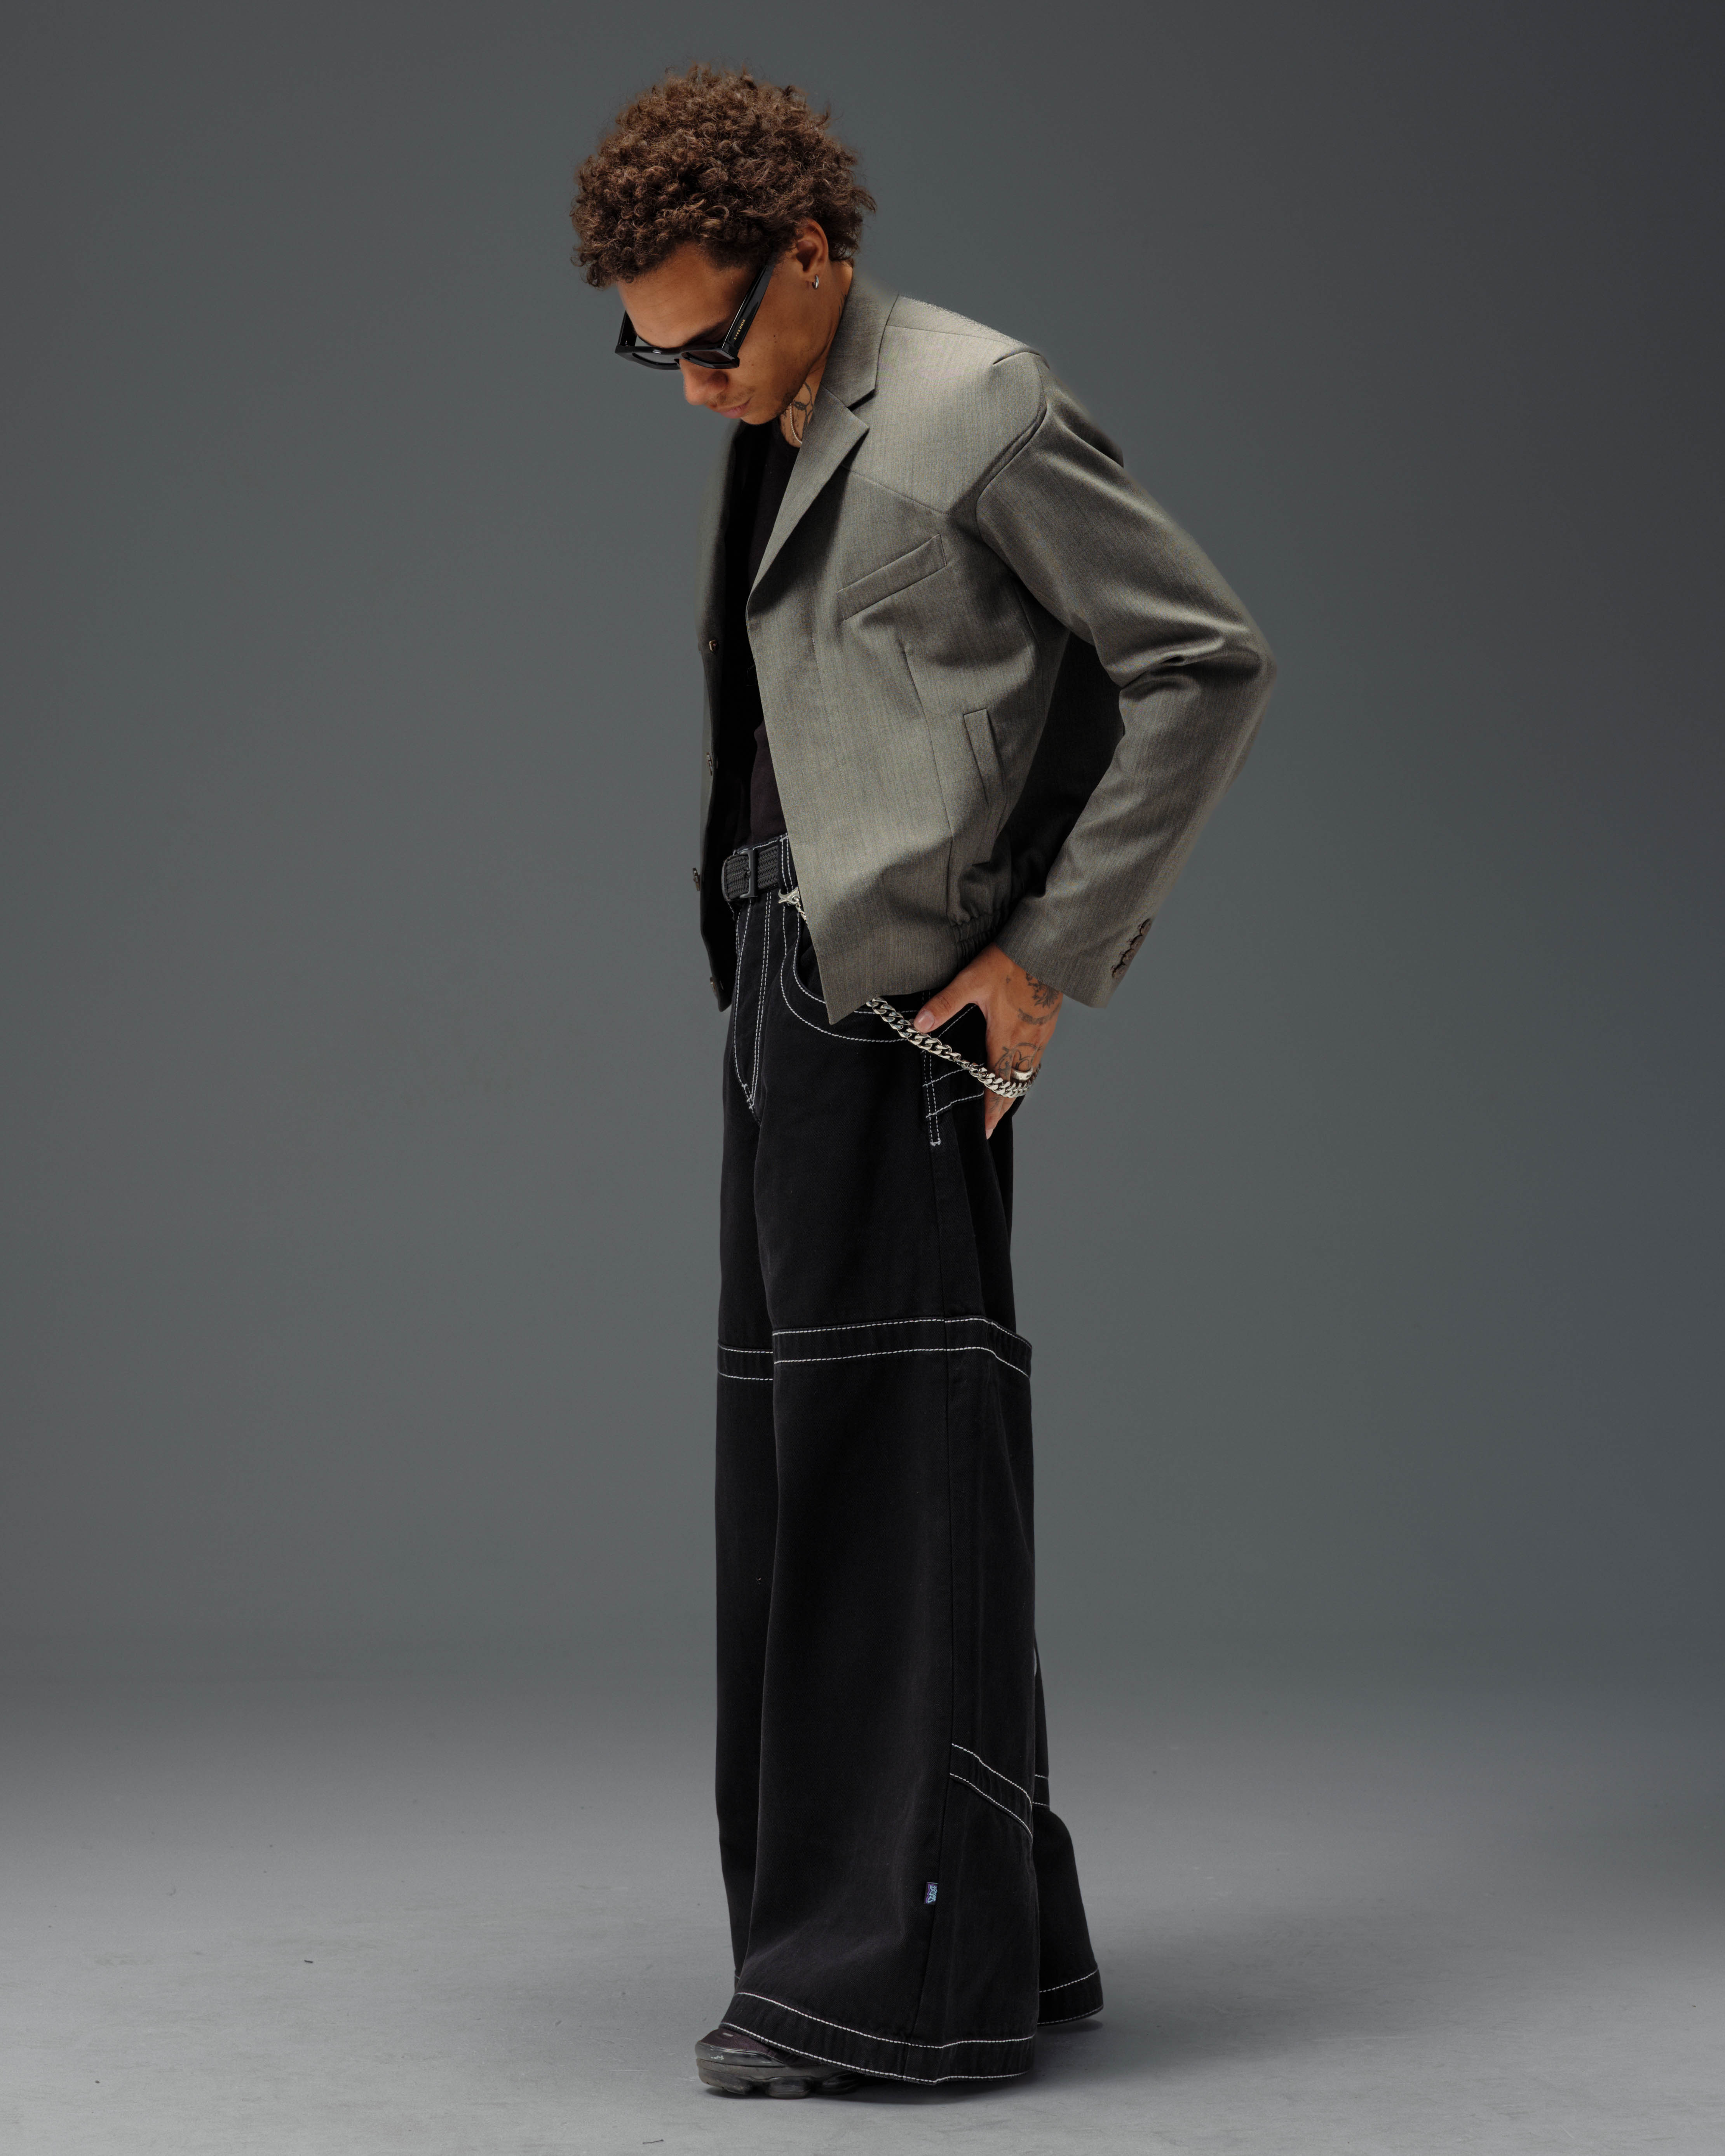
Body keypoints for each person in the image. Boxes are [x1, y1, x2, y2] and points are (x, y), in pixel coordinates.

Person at [570, 66, 1275, 2099]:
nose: (696, 389)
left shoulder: (973, 399)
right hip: (781, 994)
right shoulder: (784, 417)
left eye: (714, 339)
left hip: (892, 1013)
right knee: (816, 1473)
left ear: (811, 252)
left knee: (887, 1478)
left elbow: (1197, 661)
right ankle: (986, 1943)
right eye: (656, 358)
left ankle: (875, 1989)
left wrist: (1040, 961)